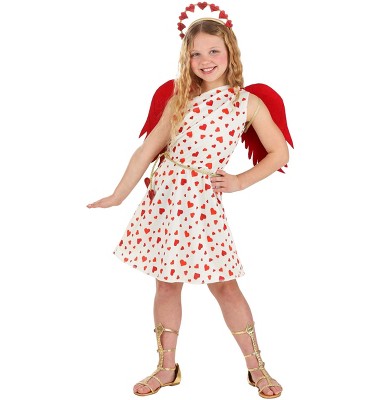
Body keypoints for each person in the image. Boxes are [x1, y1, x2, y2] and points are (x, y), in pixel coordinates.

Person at [87, 3, 292, 398]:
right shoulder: (182, 96)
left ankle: (257, 368)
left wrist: (240, 180)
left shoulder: (247, 103)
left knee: (225, 286)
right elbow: (147, 150)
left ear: (230, 50)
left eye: (213, 50)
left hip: (201, 203)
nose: (205, 60)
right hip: (166, 200)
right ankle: (167, 368)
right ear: (187, 58)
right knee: (167, 285)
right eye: (196, 53)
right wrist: (118, 195)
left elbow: (278, 153)